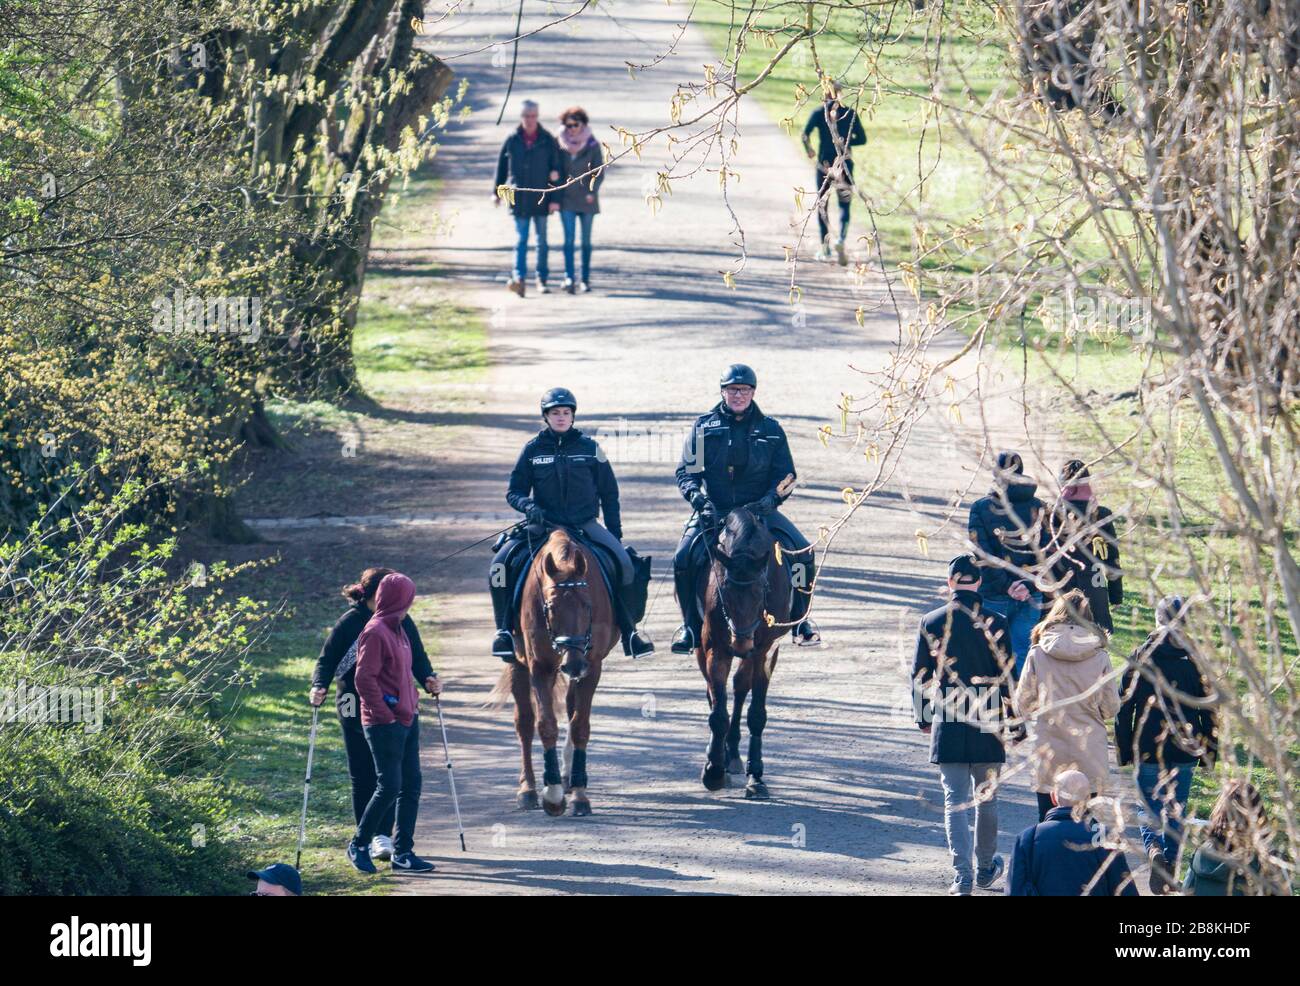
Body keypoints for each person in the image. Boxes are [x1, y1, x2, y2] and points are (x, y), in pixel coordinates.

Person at [489, 387, 654, 659]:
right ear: (546, 417)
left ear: (573, 416)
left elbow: (609, 493)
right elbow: (514, 492)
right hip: (544, 526)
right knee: (499, 565)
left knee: (625, 564)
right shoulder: (532, 450)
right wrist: (528, 506)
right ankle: (504, 631)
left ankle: (630, 631)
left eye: (566, 412)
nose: (562, 417)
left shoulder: (592, 449)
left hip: (584, 525)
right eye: (556, 413)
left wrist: (615, 533)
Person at [671, 364, 819, 654]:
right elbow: (687, 473)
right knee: (682, 558)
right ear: (723, 392)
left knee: (802, 553)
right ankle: (689, 625)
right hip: (715, 511)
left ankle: (801, 618)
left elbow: (787, 476)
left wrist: (769, 501)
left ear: (753, 393)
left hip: (760, 513)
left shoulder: (771, 430)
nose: (739, 395)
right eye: (733, 390)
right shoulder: (704, 428)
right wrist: (697, 499)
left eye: (745, 390)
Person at [310, 567, 441, 863]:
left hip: (394, 708)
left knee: (395, 778)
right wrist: (319, 686)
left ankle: (387, 840)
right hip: (353, 705)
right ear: (376, 594)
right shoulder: (352, 623)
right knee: (365, 773)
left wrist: (428, 678)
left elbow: (417, 659)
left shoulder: (402, 623)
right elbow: (327, 660)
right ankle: (370, 838)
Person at [912, 554, 1020, 895]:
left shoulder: (931, 621)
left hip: (948, 712)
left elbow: (920, 677)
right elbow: (1008, 679)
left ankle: (963, 876)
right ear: (979, 583)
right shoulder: (997, 621)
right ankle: (986, 866)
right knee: (986, 800)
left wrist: (924, 717)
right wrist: (1015, 722)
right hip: (987, 712)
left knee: (953, 800)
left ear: (950, 584)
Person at [1115, 595, 1219, 893]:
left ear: (1157, 619)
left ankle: (1154, 851)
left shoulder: (1141, 655)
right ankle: (1171, 859)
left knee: (1149, 805)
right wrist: (1210, 750)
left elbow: (1125, 705)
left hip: (1148, 743)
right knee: (1177, 808)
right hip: (1186, 745)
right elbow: (1209, 707)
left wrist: (1124, 748)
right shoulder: (1195, 657)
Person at [347, 572, 437, 874]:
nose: (410, 603)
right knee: (389, 786)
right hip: (384, 723)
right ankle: (359, 844)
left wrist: (418, 692)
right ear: (398, 599)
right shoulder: (375, 631)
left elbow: (405, 671)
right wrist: (385, 714)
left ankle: (403, 853)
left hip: (407, 718)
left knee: (411, 785)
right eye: (408, 597)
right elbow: (363, 679)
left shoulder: (399, 629)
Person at [1014, 590, 1121, 820]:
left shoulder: (1038, 653)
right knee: (1089, 823)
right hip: (1089, 746)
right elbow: (1111, 706)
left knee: (1048, 817)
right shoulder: (1100, 656)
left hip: (1049, 745)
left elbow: (1023, 701)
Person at [968, 450, 1047, 677]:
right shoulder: (1040, 508)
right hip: (1030, 593)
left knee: (990, 653)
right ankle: (1018, 707)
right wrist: (1026, 585)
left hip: (994, 593)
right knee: (1022, 651)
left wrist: (1006, 586)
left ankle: (993, 707)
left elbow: (981, 552)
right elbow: (1046, 553)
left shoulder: (981, 508)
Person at [1006, 770, 1138, 896]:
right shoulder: (1104, 837)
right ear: (1088, 799)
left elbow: (1015, 891)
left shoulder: (1028, 838)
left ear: (1053, 797)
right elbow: (1124, 889)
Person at [493, 99, 561, 296]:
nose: (530, 120)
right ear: (521, 117)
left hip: (541, 198)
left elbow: (557, 171)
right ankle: (520, 279)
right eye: (526, 116)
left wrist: (555, 199)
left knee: (541, 242)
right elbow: (502, 168)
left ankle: (541, 279)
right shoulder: (512, 140)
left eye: (533, 116)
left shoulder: (547, 139)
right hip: (519, 197)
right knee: (521, 240)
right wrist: (496, 192)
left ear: (537, 116)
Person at [1046, 459, 1123, 633]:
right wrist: (1116, 595)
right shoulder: (1101, 515)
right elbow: (1112, 558)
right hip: (1094, 591)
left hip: (1058, 590)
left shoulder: (1052, 514)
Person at [1184, 780, 1288, 896]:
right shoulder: (1266, 863)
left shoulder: (1201, 852)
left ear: (1219, 814)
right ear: (1258, 815)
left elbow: (1185, 890)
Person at [801, 82, 866, 265]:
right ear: (840, 94)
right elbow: (862, 139)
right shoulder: (850, 114)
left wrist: (809, 150)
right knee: (845, 204)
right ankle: (841, 240)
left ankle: (825, 247)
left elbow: (804, 134)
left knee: (823, 205)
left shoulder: (818, 113)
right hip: (845, 164)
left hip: (824, 166)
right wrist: (845, 143)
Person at [555, 106, 604, 294]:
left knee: (585, 242)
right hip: (566, 199)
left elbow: (599, 171)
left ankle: (584, 279)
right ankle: (569, 277)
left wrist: (593, 190)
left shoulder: (592, 145)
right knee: (568, 240)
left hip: (587, 199)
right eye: (568, 125)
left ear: (583, 124)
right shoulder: (559, 143)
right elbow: (554, 166)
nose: (572, 129)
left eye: (575, 125)